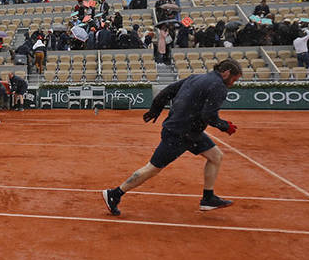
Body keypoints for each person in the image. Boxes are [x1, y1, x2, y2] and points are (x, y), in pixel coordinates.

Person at [102, 59, 242, 216]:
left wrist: (155, 109)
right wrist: (225, 126)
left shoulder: (196, 77)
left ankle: (208, 198)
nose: (233, 83)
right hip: (180, 134)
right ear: (226, 73)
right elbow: (208, 115)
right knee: (152, 169)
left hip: (188, 131)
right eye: (234, 79)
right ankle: (114, 194)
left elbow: (168, 91)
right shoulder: (219, 87)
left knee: (215, 156)